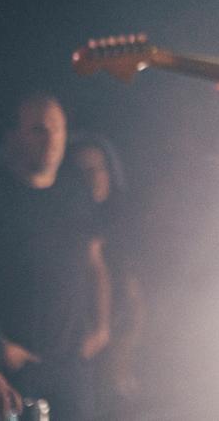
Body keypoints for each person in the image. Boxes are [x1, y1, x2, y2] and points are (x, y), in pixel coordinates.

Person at [0, 91, 112, 419]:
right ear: (14, 136)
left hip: (71, 365)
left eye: (57, 129)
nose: (51, 139)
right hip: (14, 368)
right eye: (39, 130)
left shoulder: (75, 193)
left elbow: (95, 262)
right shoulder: (2, 196)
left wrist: (101, 326)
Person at [70, 132, 147, 413]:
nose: (93, 177)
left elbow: (132, 289)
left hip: (122, 338)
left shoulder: (123, 221)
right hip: (80, 342)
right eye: (83, 170)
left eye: (99, 168)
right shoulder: (65, 227)